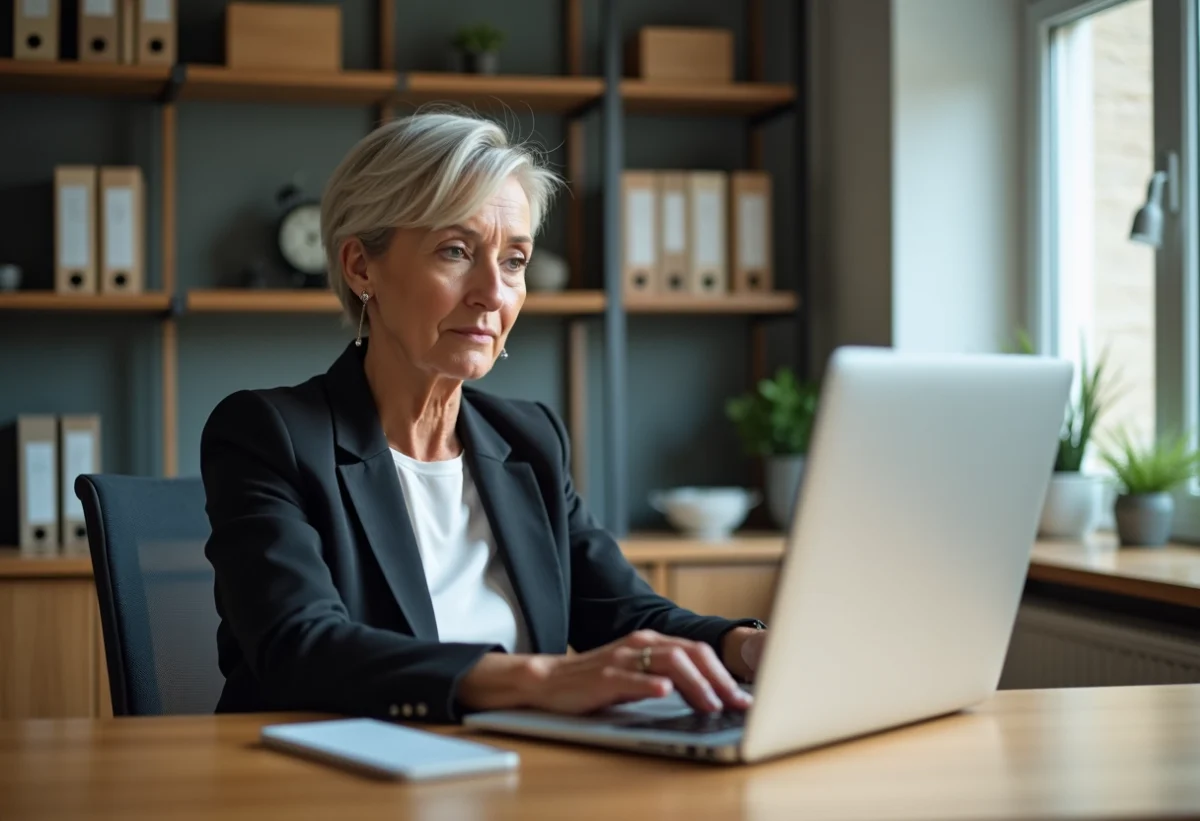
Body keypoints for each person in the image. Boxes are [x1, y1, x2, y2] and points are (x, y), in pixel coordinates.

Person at [200, 110, 768, 724]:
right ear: (361, 267)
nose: (493, 292)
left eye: (515, 261)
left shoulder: (528, 439)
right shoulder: (269, 435)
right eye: (455, 251)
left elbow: (628, 614)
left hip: (520, 775)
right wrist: (537, 678)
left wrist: (748, 647)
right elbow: (300, 647)